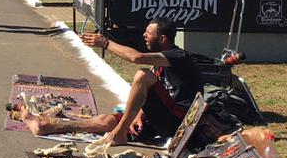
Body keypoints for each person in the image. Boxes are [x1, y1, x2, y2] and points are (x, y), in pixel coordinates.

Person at [26, 19, 204, 148]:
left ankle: (120, 132)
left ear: (163, 39)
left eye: (148, 33)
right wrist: (139, 116)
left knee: (142, 75)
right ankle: (46, 125)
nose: (144, 35)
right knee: (106, 120)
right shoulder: (161, 61)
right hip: (162, 117)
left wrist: (105, 43)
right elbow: (155, 95)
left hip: (179, 121)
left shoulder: (179, 56)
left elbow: (136, 58)